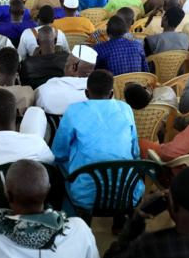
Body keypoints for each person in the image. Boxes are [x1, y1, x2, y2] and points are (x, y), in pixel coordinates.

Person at [52, 70, 140, 214]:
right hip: (127, 193)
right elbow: (134, 152)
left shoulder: (74, 110)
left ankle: (70, 221)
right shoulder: (126, 109)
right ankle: (119, 224)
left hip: (86, 195)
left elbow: (59, 151)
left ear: (86, 93)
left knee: (57, 166)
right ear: (111, 94)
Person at [33, 44, 97, 115]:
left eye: (67, 62)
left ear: (73, 67)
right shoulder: (102, 94)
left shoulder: (45, 91)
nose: (65, 65)